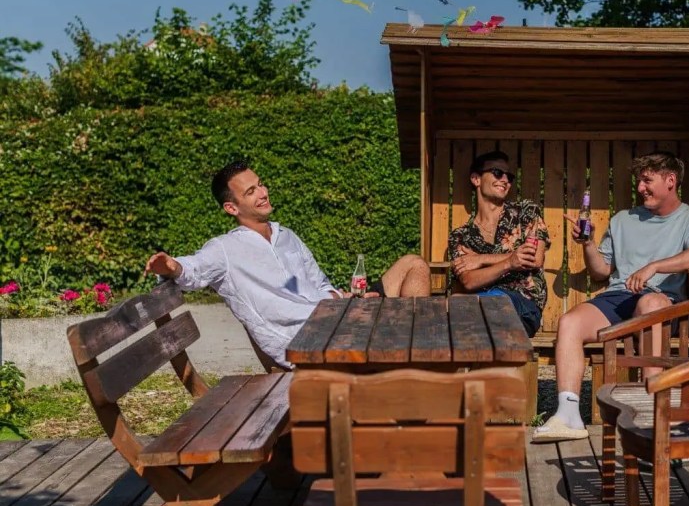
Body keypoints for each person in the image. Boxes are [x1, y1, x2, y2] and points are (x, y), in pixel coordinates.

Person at [145, 160, 430, 369]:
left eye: (261, 184)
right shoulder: (226, 250)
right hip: (306, 343)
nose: (263, 193)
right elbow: (193, 269)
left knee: (413, 264)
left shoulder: (286, 237)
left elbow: (316, 284)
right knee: (411, 332)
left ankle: (420, 367)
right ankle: (423, 376)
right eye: (250, 192)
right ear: (231, 208)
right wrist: (170, 266)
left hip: (334, 317)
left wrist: (342, 297)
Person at [532, 152, 689, 443]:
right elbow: (601, 271)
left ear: (670, 181)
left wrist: (655, 266)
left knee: (650, 304)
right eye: (639, 181)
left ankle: (654, 413)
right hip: (618, 297)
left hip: (661, 300)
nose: (640, 188)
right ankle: (567, 415)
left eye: (647, 180)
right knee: (569, 323)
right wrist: (588, 244)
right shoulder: (623, 219)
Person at [447, 150, 550, 337]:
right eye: (497, 173)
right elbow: (469, 281)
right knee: (461, 306)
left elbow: (534, 258)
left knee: (466, 305)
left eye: (509, 176)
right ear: (476, 179)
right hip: (479, 307)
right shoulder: (460, 236)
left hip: (522, 305)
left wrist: (481, 259)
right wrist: (510, 261)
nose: (505, 180)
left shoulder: (526, 212)